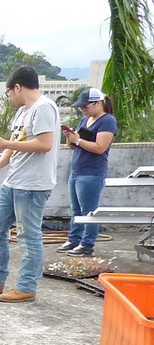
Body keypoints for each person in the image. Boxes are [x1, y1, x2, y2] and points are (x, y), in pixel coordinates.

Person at [0, 67, 59, 303]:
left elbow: (45, 143)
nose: (10, 97)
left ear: (18, 87)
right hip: (13, 181)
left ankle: (26, 286)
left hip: (33, 185)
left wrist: (6, 143)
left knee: (28, 236)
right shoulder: (22, 112)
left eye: (9, 92)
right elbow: (14, 143)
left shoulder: (44, 107)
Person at [57, 88, 118, 257]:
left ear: (98, 103)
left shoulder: (107, 121)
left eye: (86, 106)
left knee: (89, 211)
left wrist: (79, 140)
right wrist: (70, 138)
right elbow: (73, 146)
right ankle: (74, 238)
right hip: (77, 169)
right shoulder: (85, 120)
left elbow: (100, 148)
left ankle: (87, 243)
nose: (83, 109)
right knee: (76, 209)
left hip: (92, 172)